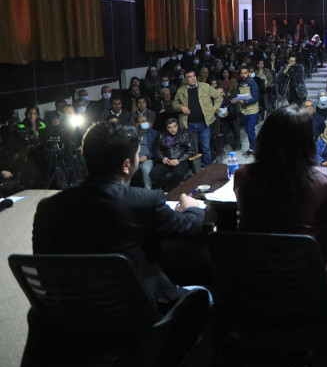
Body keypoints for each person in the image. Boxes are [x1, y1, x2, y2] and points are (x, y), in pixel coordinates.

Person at [32, 120, 206, 313]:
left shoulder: (47, 208)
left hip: (71, 314)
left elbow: (43, 270)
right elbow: (190, 228)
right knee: (205, 294)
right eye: (137, 155)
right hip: (136, 314)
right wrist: (192, 207)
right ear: (126, 166)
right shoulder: (145, 201)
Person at [233, 105, 327, 288]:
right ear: (307, 143)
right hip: (310, 289)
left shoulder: (243, 175)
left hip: (254, 286)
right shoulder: (325, 180)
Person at [172, 71, 222, 167]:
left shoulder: (205, 87)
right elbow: (174, 104)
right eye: (189, 77)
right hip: (188, 124)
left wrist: (214, 108)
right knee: (192, 149)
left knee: (206, 147)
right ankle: (196, 169)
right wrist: (181, 107)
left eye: (194, 76)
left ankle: (208, 167)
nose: (193, 78)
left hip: (204, 123)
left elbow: (218, 96)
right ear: (185, 79)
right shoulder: (180, 91)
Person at [150, 118, 194, 191]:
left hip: (180, 160)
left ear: (178, 126)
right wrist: (162, 158)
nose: (173, 129)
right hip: (167, 160)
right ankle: (167, 187)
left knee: (177, 173)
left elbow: (191, 151)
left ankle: (168, 190)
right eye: (170, 127)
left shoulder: (186, 133)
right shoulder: (162, 134)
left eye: (174, 126)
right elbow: (157, 149)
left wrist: (179, 160)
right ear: (167, 128)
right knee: (153, 174)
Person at [235, 67, 261, 157]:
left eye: (245, 73)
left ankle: (253, 149)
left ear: (249, 73)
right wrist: (236, 99)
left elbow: (256, 97)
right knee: (247, 130)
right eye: (242, 73)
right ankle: (253, 147)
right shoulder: (241, 83)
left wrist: (245, 102)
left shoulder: (252, 83)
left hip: (252, 111)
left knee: (250, 130)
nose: (243, 75)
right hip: (244, 111)